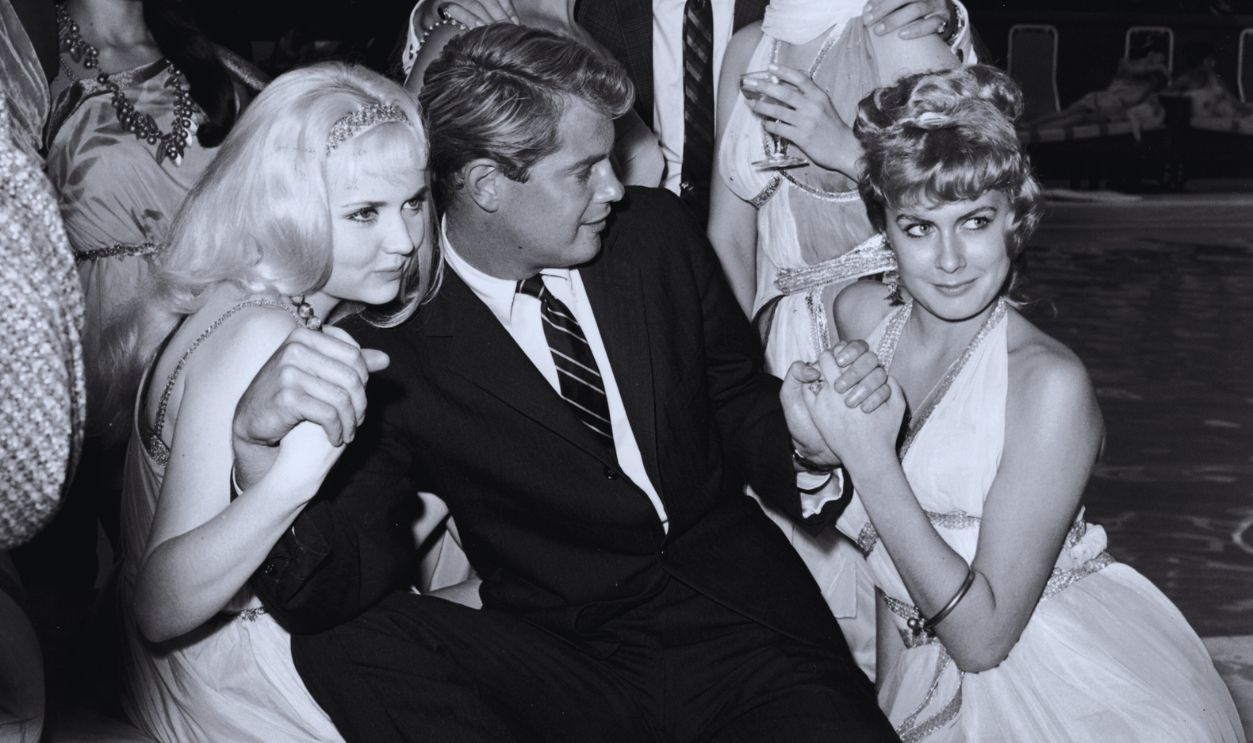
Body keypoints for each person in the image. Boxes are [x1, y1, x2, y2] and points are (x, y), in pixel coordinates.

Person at [244, 24, 897, 742]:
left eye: (611, 158)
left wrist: (803, 442)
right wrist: (257, 454)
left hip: (738, 632)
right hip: (570, 660)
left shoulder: (654, 237)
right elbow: (327, 591)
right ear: (487, 184)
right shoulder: (393, 345)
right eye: (584, 170)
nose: (615, 187)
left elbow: (736, 396)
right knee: (344, 643)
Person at [801, 64, 1245, 741]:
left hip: (1053, 686)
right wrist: (807, 438)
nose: (949, 258)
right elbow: (877, 562)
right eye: (918, 226)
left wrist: (867, 458)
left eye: (973, 221)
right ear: (883, 230)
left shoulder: (1046, 385)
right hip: (906, 670)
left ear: (1016, 216)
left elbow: (982, 641)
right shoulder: (857, 314)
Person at [114, 62, 438, 742]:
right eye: (364, 213)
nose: (405, 240)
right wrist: (294, 481)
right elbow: (159, 603)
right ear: (287, 209)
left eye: (413, 202)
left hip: (180, 671)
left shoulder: (237, 292)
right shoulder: (263, 332)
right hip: (238, 679)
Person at [705, 0, 965, 678]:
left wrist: (846, 151)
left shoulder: (900, 32)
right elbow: (728, 236)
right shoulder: (749, 48)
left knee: (901, 599)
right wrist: (733, 386)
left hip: (883, 336)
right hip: (777, 345)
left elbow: (966, 215)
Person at [407, 0, 967, 219]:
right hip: (614, 224)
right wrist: (431, 19)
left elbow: (965, 132)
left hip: (768, 238)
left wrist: (946, 20)